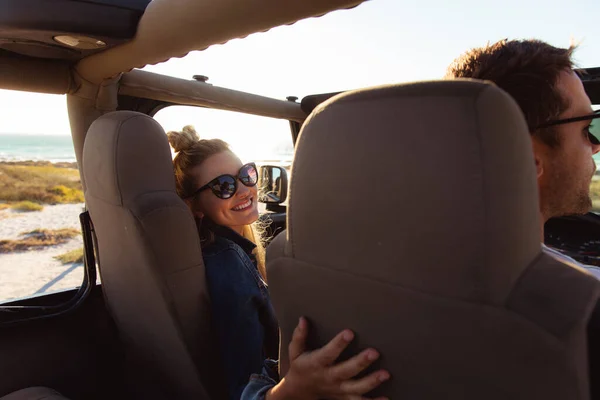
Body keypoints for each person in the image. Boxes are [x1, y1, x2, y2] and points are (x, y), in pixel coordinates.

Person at [167, 126, 390, 400]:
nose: (244, 189)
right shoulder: (228, 265)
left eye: (246, 174)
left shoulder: (232, 253)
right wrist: (295, 387)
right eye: (224, 186)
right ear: (195, 207)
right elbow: (243, 392)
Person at [445, 39, 600, 278]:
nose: (596, 147)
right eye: (586, 128)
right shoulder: (587, 297)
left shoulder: (388, 258)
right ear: (527, 157)